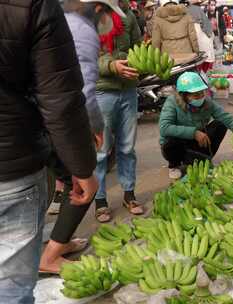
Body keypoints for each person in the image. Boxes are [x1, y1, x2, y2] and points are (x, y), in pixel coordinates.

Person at [0, 0, 98, 302]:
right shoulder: (33, 4)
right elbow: (60, 99)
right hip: (11, 165)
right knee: (11, 290)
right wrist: (82, 169)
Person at [40, 0, 125, 274]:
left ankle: (58, 243)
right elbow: (84, 88)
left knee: (57, 181)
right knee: (84, 183)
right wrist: (95, 126)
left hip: (34, 118)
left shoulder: (54, 19)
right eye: (110, 12)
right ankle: (51, 255)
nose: (110, 19)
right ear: (98, 8)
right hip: (56, 120)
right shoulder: (83, 30)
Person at [94, 0, 143, 222]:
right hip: (103, 91)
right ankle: (101, 200)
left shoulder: (128, 15)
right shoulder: (91, 15)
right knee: (101, 150)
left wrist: (140, 65)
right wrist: (112, 66)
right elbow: (86, 57)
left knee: (127, 146)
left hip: (128, 90)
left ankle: (129, 194)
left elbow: (137, 47)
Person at [159, 72, 233, 179]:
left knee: (220, 124)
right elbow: (164, 128)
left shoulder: (207, 102)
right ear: (184, 95)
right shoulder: (172, 102)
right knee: (170, 140)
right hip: (178, 144)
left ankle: (203, 158)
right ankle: (174, 165)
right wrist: (194, 133)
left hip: (197, 142)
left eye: (202, 93)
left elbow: (225, 117)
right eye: (196, 95)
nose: (200, 97)